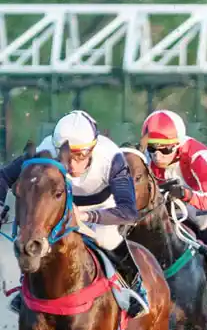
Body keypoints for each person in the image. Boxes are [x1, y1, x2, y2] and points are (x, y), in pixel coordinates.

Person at [0, 110, 148, 317]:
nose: (71, 164)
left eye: (80, 156)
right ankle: (25, 284)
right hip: (59, 205)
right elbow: (4, 176)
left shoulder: (112, 157)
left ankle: (134, 286)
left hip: (101, 207)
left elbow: (128, 211)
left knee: (107, 237)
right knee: (34, 233)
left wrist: (87, 217)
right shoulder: (45, 150)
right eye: (68, 154)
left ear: (93, 149)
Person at [140, 109, 207, 286]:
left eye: (165, 149)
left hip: (192, 205)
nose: (157, 156)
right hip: (158, 205)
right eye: (152, 148)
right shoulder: (144, 158)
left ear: (177, 144)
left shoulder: (198, 155)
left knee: (201, 217)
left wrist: (187, 195)